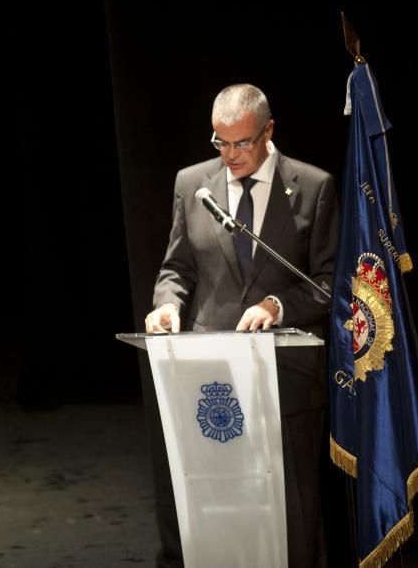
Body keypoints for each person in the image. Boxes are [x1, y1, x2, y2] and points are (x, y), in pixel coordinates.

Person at [144, 83, 338, 567]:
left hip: (287, 382)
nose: (230, 155)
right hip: (211, 384)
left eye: (242, 143)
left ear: (268, 130)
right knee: (221, 519)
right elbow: (177, 269)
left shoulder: (313, 187)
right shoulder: (192, 185)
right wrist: (168, 304)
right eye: (220, 143)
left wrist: (278, 305)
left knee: (291, 523)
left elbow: (331, 282)